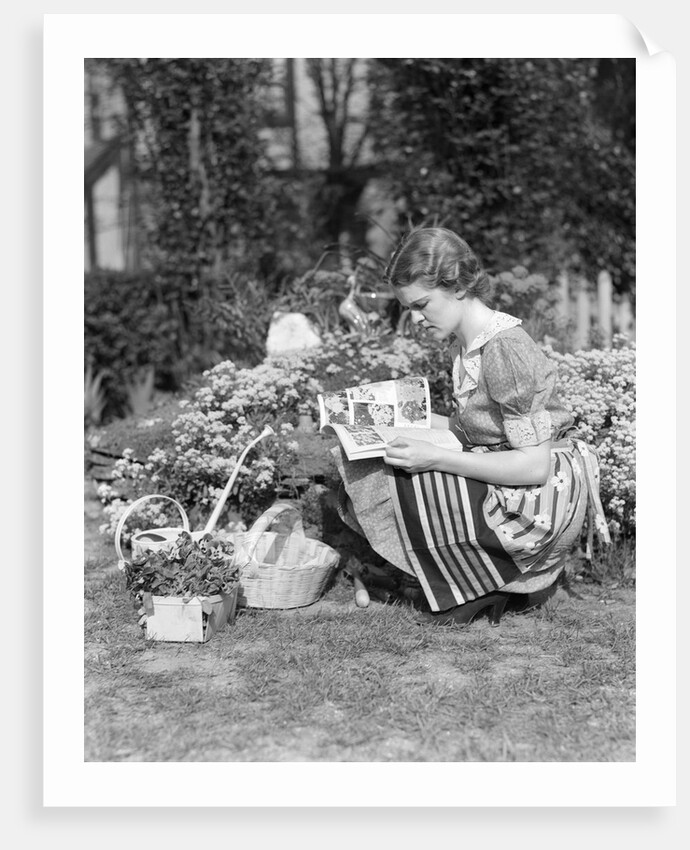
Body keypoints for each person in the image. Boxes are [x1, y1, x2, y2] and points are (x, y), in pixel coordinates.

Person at [333, 227, 610, 626]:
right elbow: (480, 430)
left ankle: (485, 580)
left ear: (458, 286)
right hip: (511, 471)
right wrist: (391, 417)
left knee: (396, 472)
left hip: (541, 497)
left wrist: (435, 457)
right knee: (374, 454)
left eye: (421, 304)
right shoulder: (470, 344)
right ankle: (468, 579)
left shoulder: (506, 348)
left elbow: (534, 466)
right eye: (408, 307)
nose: (414, 319)